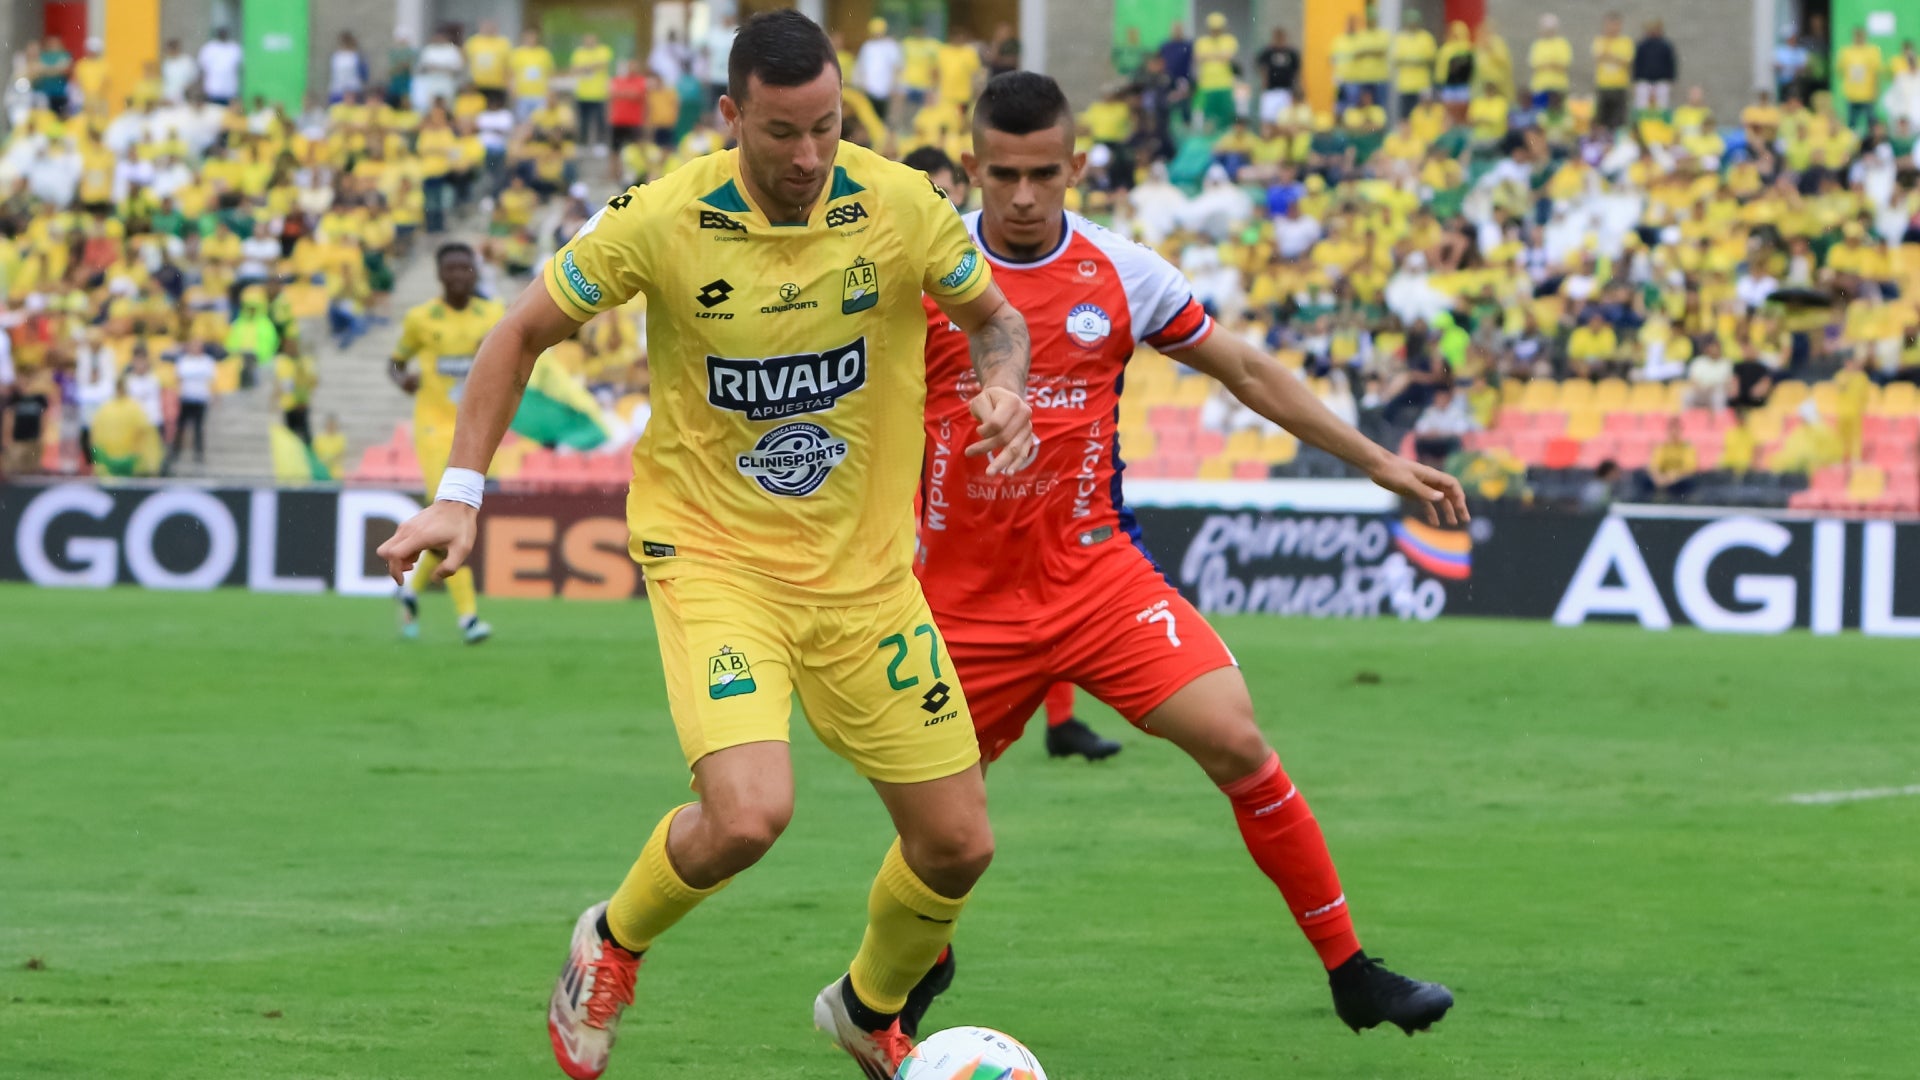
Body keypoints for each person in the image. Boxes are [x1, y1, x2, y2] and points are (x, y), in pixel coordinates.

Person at [374, 14, 1037, 1080]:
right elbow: (518, 334)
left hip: (867, 582)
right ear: (732, 117)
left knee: (959, 844)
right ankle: (612, 943)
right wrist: (460, 494)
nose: (809, 157)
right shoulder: (661, 218)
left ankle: (867, 1012)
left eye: (827, 127)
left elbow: (996, 320)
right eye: (782, 132)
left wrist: (1004, 384)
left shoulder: (901, 205)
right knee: (748, 815)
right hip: (716, 560)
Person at [903, 70, 1460, 1043]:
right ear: (969, 169)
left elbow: (1242, 369)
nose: (1025, 196)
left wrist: (1378, 462)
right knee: (945, 835)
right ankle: (912, 966)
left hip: (1094, 578)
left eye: (1045, 174)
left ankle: (1352, 973)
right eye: (1004, 175)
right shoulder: (921, 272)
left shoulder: (1123, 272)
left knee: (1239, 740)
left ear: (1077, 165)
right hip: (959, 604)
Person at [387, 243, 499, 644]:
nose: (458, 275)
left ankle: (409, 593)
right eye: (450, 269)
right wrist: (404, 380)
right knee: (449, 510)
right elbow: (396, 360)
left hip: (476, 425)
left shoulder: (492, 316)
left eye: (464, 268)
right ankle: (468, 618)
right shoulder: (422, 319)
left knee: (455, 516)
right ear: (439, 275)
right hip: (434, 428)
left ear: (474, 273)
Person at [166, 339, 218, 472]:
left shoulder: (207, 361)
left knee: (199, 428)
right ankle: (175, 452)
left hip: (200, 399)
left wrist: (214, 396)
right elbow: (177, 379)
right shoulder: (183, 361)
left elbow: (212, 381)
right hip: (186, 398)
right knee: (181, 428)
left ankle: (198, 454)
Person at [1193, 12, 1240, 133]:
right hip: (1207, 85)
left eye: (1218, 29)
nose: (1215, 31)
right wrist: (1219, 55)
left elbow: (1228, 56)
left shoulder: (1229, 40)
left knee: (1225, 115)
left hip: (1224, 84)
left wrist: (1209, 56)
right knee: (1209, 116)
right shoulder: (1202, 41)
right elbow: (1198, 57)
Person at [854, 18, 903, 126]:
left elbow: (897, 68)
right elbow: (861, 67)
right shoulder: (867, 46)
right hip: (869, 90)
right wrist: (861, 86)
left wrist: (894, 86)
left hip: (886, 91)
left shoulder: (891, 46)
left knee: (885, 121)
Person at [1389, 10, 1435, 122]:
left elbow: (1431, 60)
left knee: (1423, 116)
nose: (1412, 25)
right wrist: (1415, 61)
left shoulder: (1426, 37)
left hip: (1422, 84)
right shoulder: (1400, 39)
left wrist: (1411, 61)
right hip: (1406, 85)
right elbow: (1395, 60)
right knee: (1406, 116)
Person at [572, 32, 615, 149]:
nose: (589, 42)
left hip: (598, 93)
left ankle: (600, 144)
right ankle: (583, 144)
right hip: (583, 94)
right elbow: (575, 69)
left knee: (600, 121)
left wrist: (586, 67)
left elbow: (603, 64)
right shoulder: (579, 53)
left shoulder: (603, 50)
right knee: (583, 122)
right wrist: (591, 66)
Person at [1840, 27, 1885, 135]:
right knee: (1852, 124)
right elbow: (1841, 70)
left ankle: (1872, 145)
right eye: (1857, 35)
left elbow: (1876, 72)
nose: (1859, 38)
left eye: (1861, 36)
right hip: (1852, 94)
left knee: (1872, 123)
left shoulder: (1872, 51)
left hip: (1868, 94)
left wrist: (1876, 90)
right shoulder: (1847, 51)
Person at [1593, 13, 1634, 129]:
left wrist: (1610, 56)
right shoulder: (1600, 40)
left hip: (1619, 86)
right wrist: (1616, 58)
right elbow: (1598, 57)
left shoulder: (1625, 42)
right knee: (1602, 119)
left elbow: (1626, 62)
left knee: (1618, 120)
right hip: (1603, 85)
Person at [1255, 27, 1300, 127]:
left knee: (1285, 120)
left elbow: (1297, 72)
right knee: (1267, 118)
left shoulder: (1291, 53)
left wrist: (1297, 87)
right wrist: (1264, 81)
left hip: (1286, 90)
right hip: (1271, 90)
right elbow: (1261, 67)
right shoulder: (1267, 52)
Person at [1632, 19, 1677, 113]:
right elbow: (1637, 63)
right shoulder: (1641, 46)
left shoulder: (1666, 46)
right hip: (1643, 80)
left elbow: (1670, 63)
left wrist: (1670, 78)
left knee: (1662, 108)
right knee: (1642, 107)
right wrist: (1635, 79)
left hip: (1661, 80)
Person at [510, 29, 556, 122]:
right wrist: (512, 90)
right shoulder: (518, 54)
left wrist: (550, 92)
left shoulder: (544, 53)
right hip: (522, 95)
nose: (531, 39)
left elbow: (550, 74)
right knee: (523, 121)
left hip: (540, 95)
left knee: (540, 122)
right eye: (528, 37)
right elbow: (512, 74)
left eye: (533, 37)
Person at [465, 20, 512, 108]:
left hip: (497, 84)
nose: (488, 30)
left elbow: (508, 64)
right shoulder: (473, 41)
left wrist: (509, 83)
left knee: (496, 108)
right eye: (486, 28)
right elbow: (465, 58)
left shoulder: (503, 43)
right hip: (478, 84)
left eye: (491, 28)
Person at [199, 27, 243, 105]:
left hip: (230, 90)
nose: (222, 34)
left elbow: (239, 67)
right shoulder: (209, 48)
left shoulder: (234, 48)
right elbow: (202, 68)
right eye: (221, 33)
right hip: (212, 89)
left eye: (224, 33)